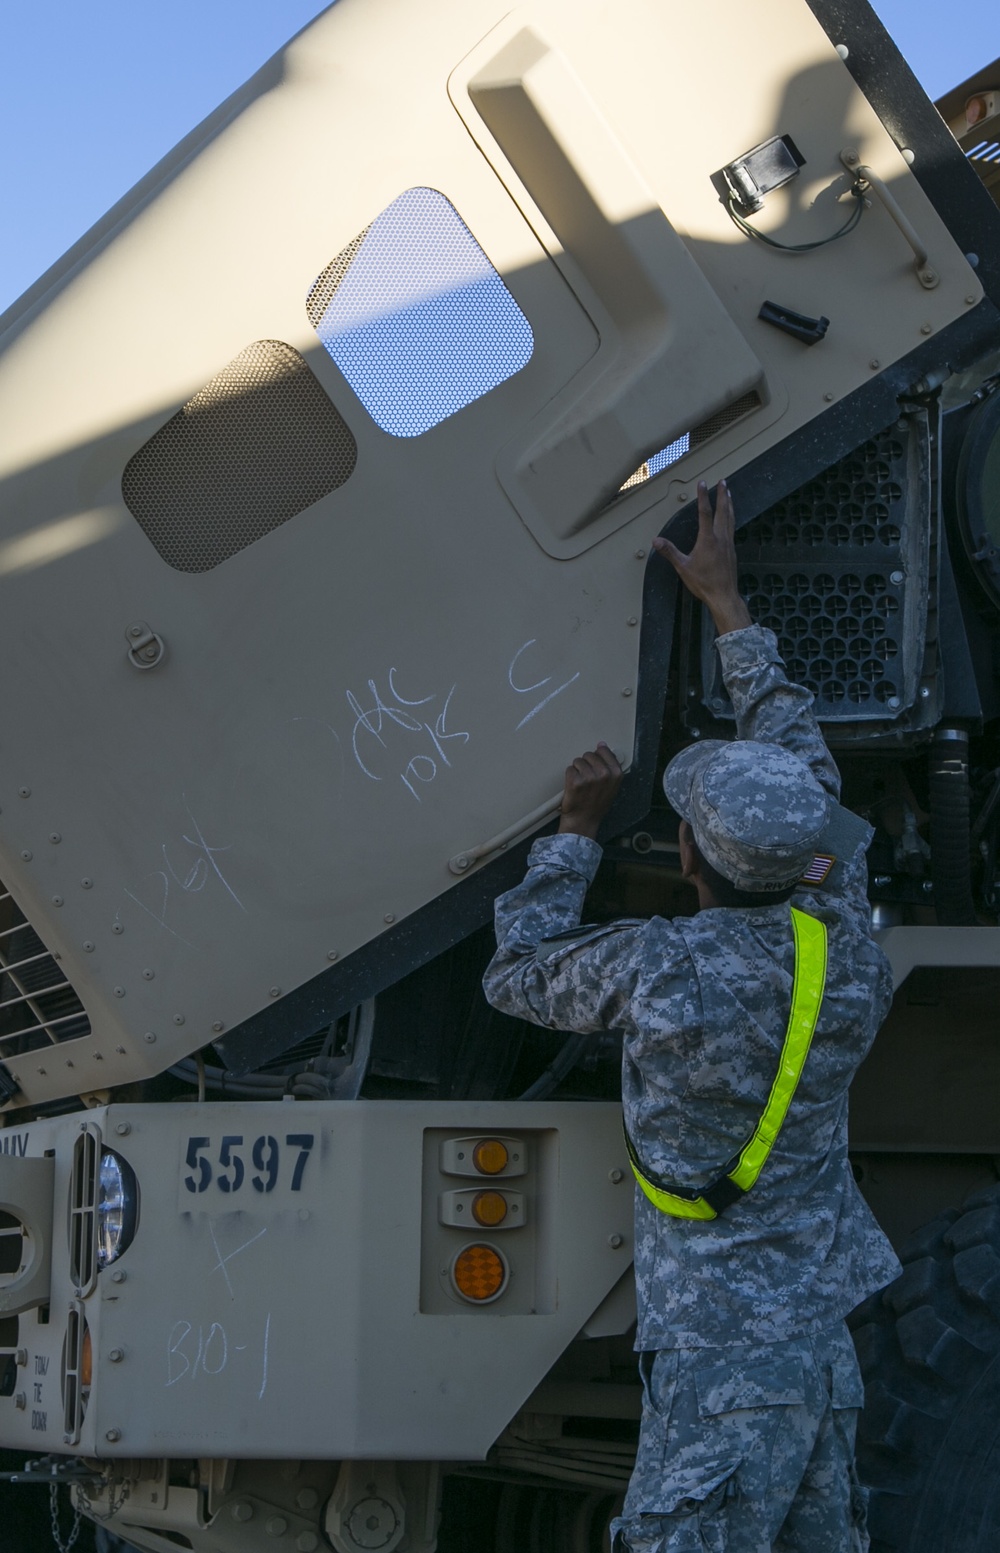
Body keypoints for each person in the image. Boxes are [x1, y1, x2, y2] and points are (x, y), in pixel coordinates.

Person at [482, 480, 901, 1552]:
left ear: (684, 857)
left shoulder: (663, 970)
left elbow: (515, 972)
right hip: (817, 1354)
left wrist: (574, 830)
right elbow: (802, 769)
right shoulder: (844, 943)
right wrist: (729, 607)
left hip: (719, 1367)